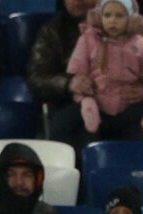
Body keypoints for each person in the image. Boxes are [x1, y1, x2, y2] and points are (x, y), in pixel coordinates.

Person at [63, 0, 143, 154]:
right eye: (108, 15)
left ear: (131, 19)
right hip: (96, 105)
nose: (112, 20)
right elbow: (78, 74)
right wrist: (85, 98)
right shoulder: (87, 39)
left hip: (129, 107)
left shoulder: (141, 44)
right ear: (99, 17)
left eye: (119, 16)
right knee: (65, 125)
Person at [28, 0, 100, 135]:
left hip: (121, 103)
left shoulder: (123, 25)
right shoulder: (52, 31)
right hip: (71, 104)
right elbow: (36, 79)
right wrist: (68, 83)